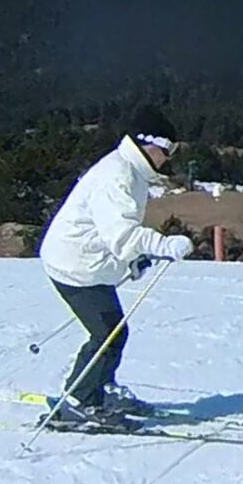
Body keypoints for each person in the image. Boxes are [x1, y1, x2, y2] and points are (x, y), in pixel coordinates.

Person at [37, 120, 194, 426]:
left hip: (88, 262)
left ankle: (100, 388)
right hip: (75, 266)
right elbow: (122, 235)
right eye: (169, 149)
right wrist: (162, 245)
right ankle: (79, 400)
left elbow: (109, 231)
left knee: (111, 332)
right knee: (107, 334)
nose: (170, 157)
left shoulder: (130, 169)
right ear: (150, 144)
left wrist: (130, 261)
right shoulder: (119, 176)